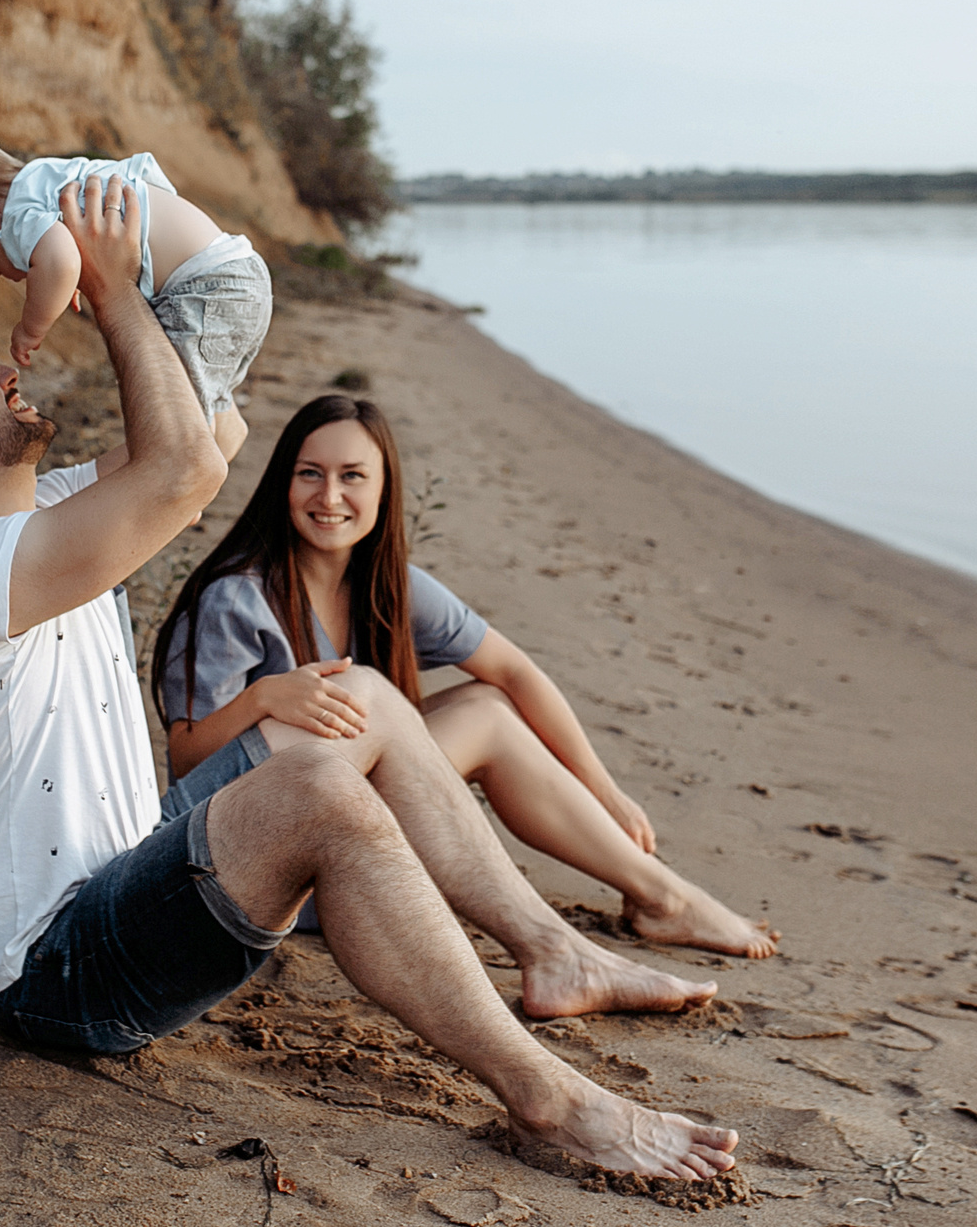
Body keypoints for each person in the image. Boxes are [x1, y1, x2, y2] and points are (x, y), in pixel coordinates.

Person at [0, 170, 736, 1181]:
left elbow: (214, 433)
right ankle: (550, 1096)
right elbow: (183, 473)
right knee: (315, 790)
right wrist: (119, 299)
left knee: (365, 699)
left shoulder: (54, 513)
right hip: (58, 970)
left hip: (134, 864)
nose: (0, 365)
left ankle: (550, 947)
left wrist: (175, 280)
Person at [155, 395, 780, 960]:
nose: (329, 497)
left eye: (353, 477)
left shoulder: (388, 588)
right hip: (266, 853)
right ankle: (663, 899)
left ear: (384, 488)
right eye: (310, 474)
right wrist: (265, 696)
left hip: (354, 827)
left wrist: (605, 793)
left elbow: (513, 669)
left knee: (487, 699)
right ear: (282, 482)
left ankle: (656, 894)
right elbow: (186, 761)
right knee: (480, 716)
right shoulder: (237, 596)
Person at [0, 145, 269, 464]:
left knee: (170, 399)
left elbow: (61, 263)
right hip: (236, 267)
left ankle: (186, 468)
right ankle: (220, 435)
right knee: (203, 385)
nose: (12, 276)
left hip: (203, 287)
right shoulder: (53, 177)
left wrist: (30, 328)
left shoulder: (17, 212)